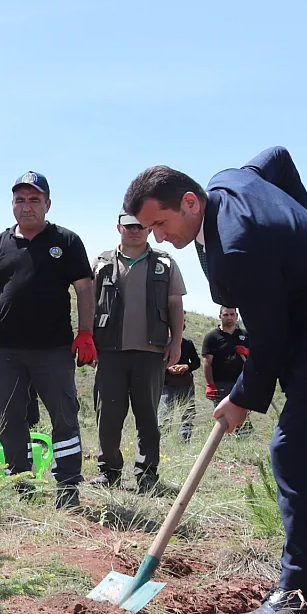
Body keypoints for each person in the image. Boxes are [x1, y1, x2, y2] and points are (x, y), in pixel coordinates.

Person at [125, 146, 307, 614]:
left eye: (159, 224)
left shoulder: (238, 247)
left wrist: (242, 398)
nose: (156, 236)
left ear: (191, 202)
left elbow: (271, 338)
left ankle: (302, 593)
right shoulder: (230, 179)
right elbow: (277, 157)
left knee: (294, 451)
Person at [0, 172, 95, 509]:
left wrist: (86, 333)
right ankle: (20, 485)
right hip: (5, 350)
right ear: (12, 205)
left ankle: (67, 487)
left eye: (34, 199)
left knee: (64, 415)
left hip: (53, 349)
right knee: (10, 418)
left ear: (47, 204)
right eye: (20, 200)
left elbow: (85, 288)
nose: (26, 207)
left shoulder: (67, 241)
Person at [88, 210, 186, 492]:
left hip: (151, 353)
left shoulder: (165, 264)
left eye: (141, 226)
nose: (135, 231)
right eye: (130, 226)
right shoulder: (101, 263)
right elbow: (89, 304)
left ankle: (147, 476)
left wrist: (176, 340)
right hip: (109, 351)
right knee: (108, 415)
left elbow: (175, 305)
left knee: (148, 418)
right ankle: (109, 472)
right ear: (119, 227)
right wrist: (88, 342)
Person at [201, 306, 249, 405]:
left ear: (236, 316)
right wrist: (210, 384)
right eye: (226, 315)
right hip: (221, 384)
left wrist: (247, 351)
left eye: (232, 314)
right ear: (220, 316)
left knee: (243, 417)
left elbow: (256, 356)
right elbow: (207, 363)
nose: (229, 317)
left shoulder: (246, 335)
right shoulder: (212, 337)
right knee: (222, 416)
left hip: (242, 382)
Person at [159, 330, 200, 442]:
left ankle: (185, 440)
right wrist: (168, 368)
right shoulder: (161, 342)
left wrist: (186, 367)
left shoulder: (187, 343)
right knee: (165, 414)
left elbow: (196, 363)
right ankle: (163, 441)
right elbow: (154, 363)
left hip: (185, 384)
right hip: (167, 385)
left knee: (188, 413)